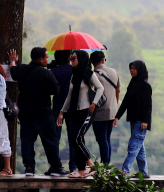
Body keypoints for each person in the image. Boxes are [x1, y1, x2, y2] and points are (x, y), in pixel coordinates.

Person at [7, 47, 65, 177]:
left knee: (27, 141)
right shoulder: (46, 73)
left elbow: (12, 70)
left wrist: (12, 60)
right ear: (40, 59)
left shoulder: (22, 70)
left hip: (25, 113)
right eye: (46, 57)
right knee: (50, 141)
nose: (47, 59)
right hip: (43, 113)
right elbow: (56, 90)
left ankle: (29, 168)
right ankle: (55, 166)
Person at [58, 50, 104, 178]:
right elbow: (69, 96)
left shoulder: (88, 72)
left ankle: (91, 165)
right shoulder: (74, 75)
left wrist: (94, 103)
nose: (72, 60)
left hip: (87, 110)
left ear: (82, 59)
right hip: (75, 112)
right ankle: (82, 170)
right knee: (76, 140)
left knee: (76, 138)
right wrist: (62, 111)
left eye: (74, 58)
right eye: (71, 58)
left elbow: (100, 88)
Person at [115, 60, 153, 178]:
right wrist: (117, 116)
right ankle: (144, 172)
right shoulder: (132, 84)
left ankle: (125, 170)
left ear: (140, 70)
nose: (132, 70)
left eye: (134, 68)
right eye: (130, 68)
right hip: (133, 119)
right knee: (139, 147)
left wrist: (145, 121)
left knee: (133, 145)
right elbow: (125, 101)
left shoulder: (146, 86)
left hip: (141, 121)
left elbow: (148, 105)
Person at [89, 51, 120, 164]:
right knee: (107, 139)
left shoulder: (93, 75)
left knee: (102, 140)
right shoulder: (114, 72)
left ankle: (105, 165)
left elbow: (90, 93)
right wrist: (114, 105)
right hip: (112, 111)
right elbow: (118, 90)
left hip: (99, 112)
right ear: (103, 60)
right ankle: (106, 164)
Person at [48, 51, 74, 173]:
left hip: (57, 107)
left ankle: (55, 166)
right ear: (69, 57)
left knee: (55, 138)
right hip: (73, 108)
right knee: (73, 139)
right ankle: (73, 167)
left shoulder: (53, 71)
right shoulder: (74, 70)